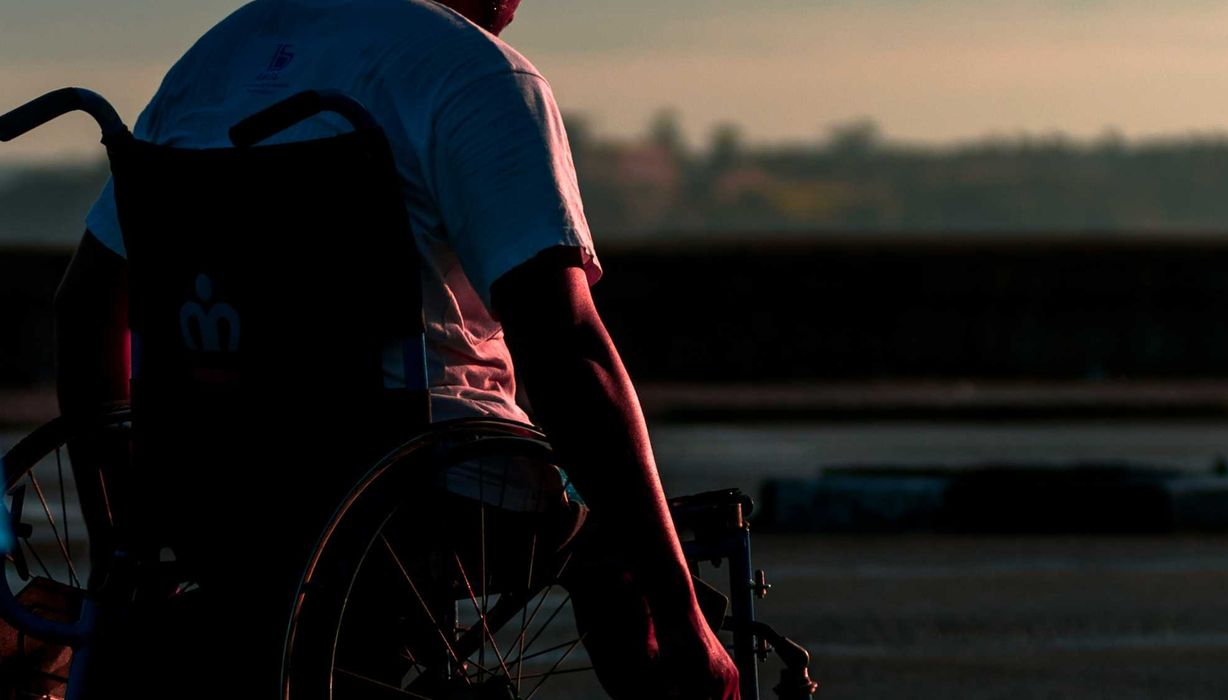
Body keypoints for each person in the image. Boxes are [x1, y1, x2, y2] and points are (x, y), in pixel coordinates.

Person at [54, 1, 739, 697]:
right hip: (416, 487)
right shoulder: (470, 71)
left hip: (212, 488)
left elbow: (84, 310)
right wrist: (681, 612)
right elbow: (563, 346)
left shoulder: (214, 60)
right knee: (618, 556)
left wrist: (121, 544)